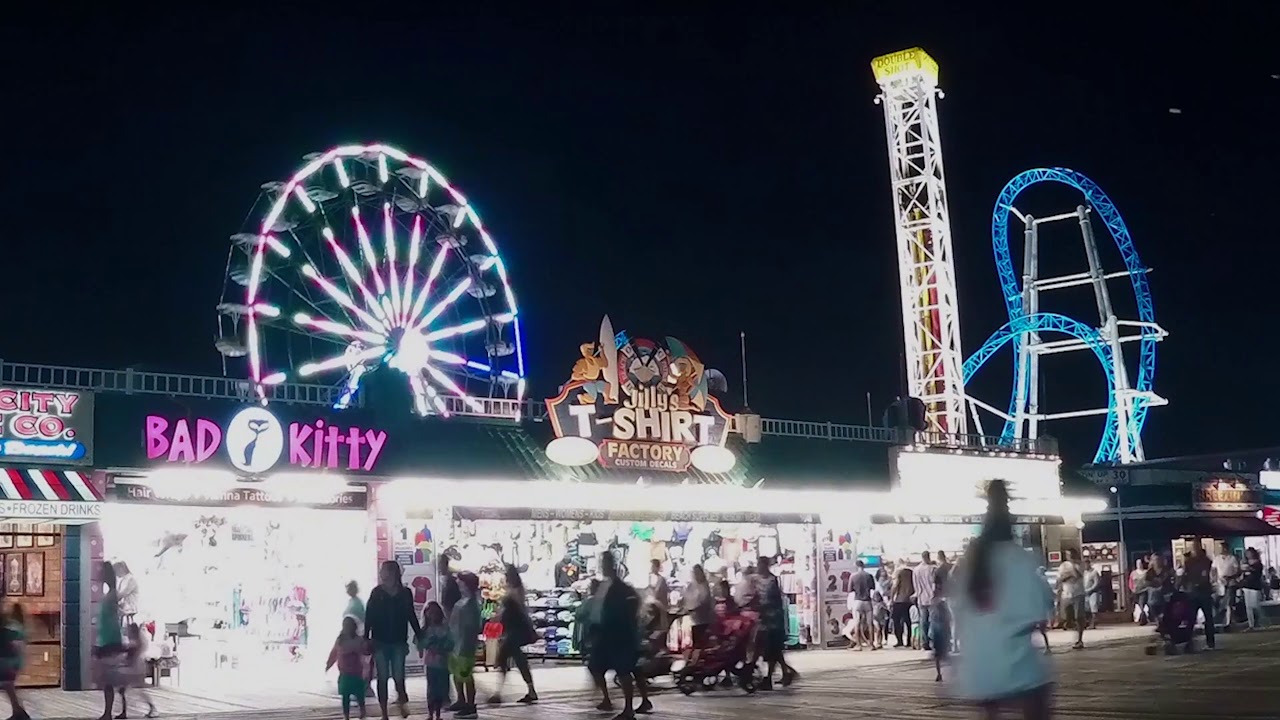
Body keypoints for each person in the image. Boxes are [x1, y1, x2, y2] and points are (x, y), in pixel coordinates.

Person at [951, 480, 1054, 720]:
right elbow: (1039, 612)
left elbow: (959, 608)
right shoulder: (1019, 559)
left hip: (977, 668)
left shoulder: (971, 561)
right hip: (1015, 664)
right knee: (1037, 698)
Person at [589, 551, 652, 719]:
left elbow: (628, 610)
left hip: (619, 635)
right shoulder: (606, 586)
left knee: (626, 669)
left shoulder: (621, 588)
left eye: (606, 563)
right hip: (606, 634)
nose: (604, 566)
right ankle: (611, 700)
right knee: (598, 666)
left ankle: (630, 708)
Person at [365, 561, 422, 720]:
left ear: (391, 573)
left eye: (383, 570)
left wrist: (419, 633)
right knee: (382, 677)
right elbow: (369, 616)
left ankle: (402, 698)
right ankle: (384, 713)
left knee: (398, 675)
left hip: (397, 640)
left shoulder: (405, 593)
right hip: (380, 641)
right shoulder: (377, 593)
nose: (381, 573)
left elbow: (410, 614)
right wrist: (366, 637)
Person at [489, 565, 538, 705]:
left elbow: (516, 609)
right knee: (517, 660)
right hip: (513, 630)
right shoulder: (515, 590)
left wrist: (500, 615)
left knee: (508, 659)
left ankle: (498, 693)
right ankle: (530, 690)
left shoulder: (515, 591)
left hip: (515, 630)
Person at [756, 556, 797, 689]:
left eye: (761, 565)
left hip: (772, 619)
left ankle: (771, 677)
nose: (759, 567)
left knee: (772, 648)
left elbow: (774, 600)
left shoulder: (771, 580)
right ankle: (784, 672)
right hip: (764, 619)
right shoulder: (757, 580)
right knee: (774, 650)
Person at [96, 561, 129, 720]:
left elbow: (112, 621)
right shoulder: (109, 595)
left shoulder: (112, 595)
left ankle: (111, 712)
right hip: (107, 641)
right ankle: (111, 712)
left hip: (110, 643)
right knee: (109, 679)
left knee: (110, 680)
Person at [448, 573, 481, 720]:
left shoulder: (472, 604)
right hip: (456, 642)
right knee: (457, 674)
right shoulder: (463, 601)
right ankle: (461, 699)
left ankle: (470, 704)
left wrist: (465, 643)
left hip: (464, 644)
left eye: (460, 581)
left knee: (465, 675)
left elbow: (471, 627)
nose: (458, 583)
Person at [327, 616, 369, 720]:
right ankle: (347, 715)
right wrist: (328, 664)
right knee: (346, 696)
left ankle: (362, 711)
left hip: (356, 672)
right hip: (346, 673)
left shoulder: (357, 640)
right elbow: (334, 653)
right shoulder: (341, 640)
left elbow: (365, 653)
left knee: (358, 695)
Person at [417, 602, 453, 720]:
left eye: (435, 612)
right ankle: (431, 713)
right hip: (431, 664)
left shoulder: (444, 628)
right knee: (432, 688)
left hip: (442, 663)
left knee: (440, 689)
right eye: (430, 612)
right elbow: (419, 643)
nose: (433, 615)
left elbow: (450, 643)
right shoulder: (425, 630)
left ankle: (437, 713)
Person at [1183, 543, 1216, 650]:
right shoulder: (1189, 562)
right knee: (1191, 618)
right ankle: (1189, 642)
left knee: (1208, 618)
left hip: (1203, 592)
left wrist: (1196, 583)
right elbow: (1185, 576)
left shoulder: (1205, 561)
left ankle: (1210, 642)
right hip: (1193, 593)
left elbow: (1205, 575)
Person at [0, 604, 29, 720]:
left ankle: (19, 712)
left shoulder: (12, 627)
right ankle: (18, 712)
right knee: (8, 686)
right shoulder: (14, 626)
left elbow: (16, 643)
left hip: (6, 661)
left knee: (7, 685)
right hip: (8, 660)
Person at [1055, 549, 1086, 649]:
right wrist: (1069, 575)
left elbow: (1078, 575)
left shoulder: (1080, 564)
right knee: (1067, 617)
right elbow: (1060, 578)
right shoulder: (1063, 565)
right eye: (1068, 554)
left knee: (1079, 617)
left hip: (1078, 593)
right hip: (1066, 594)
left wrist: (1071, 569)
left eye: (1071, 554)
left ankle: (1079, 640)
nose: (1070, 556)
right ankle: (1072, 627)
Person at [843, 560, 876, 650]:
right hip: (867, 601)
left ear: (856, 566)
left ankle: (858, 645)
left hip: (857, 601)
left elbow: (850, 589)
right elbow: (873, 588)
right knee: (870, 624)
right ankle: (871, 645)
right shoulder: (869, 576)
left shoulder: (853, 576)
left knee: (857, 623)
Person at [683, 565, 714, 654]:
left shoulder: (704, 585)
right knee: (695, 639)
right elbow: (687, 597)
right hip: (693, 618)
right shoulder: (691, 585)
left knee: (702, 639)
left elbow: (704, 600)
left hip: (703, 617)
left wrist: (694, 607)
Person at [912, 551, 937, 651]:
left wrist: (917, 594)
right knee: (933, 620)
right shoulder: (932, 569)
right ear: (928, 557)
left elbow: (915, 585)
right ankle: (933, 641)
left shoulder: (916, 570)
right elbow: (934, 584)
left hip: (921, 598)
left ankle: (924, 643)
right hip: (931, 598)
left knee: (923, 621)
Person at [1212, 548, 1240, 627]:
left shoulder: (1232, 558)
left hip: (1231, 583)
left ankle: (1228, 621)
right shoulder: (1217, 558)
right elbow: (1213, 569)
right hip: (1220, 583)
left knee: (1229, 602)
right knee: (1219, 601)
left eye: (1224, 548)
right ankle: (1221, 619)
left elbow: (1237, 570)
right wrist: (1214, 578)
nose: (1222, 550)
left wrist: (1230, 577)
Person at [890, 559, 915, 648]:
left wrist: (891, 598)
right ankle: (909, 641)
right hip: (910, 600)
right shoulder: (911, 572)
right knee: (908, 621)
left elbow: (895, 586)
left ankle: (899, 640)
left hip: (899, 600)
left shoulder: (898, 572)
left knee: (896, 621)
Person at [1239, 548, 1265, 631]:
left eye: (1249, 553)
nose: (1248, 555)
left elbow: (1256, 572)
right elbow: (1242, 572)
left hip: (1255, 586)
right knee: (1248, 606)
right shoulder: (1245, 563)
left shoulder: (1258, 563)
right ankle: (1251, 625)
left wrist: (1248, 568)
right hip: (1247, 586)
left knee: (1255, 605)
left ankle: (1259, 622)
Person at [114, 562, 140, 627]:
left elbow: (123, 593)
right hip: (125, 604)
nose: (116, 574)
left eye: (116, 571)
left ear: (121, 569)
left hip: (130, 605)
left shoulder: (131, 579)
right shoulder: (124, 579)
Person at [1082, 560, 1102, 629]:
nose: (1085, 566)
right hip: (1085, 593)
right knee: (1086, 609)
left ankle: (1093, 623)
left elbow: (1096, 583)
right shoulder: (1084, 573)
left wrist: (1090, 590)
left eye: (1086, 564)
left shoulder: (1094, 572)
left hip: (1093, 592)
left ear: (1089, 564)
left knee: (1093, 608)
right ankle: (1087, 623)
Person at [1130, 558, 1149, 624]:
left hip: (1144, 590)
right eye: (1138, 563)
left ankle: (1143, 619)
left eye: (1140, 563)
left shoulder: (1146, 572)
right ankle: (1143, 618)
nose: (1139, 565)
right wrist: (1132, 589)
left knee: (1141, 604)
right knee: (1138, 605)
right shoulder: (1133, 573)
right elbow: (1131, 582)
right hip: (1135, 591)